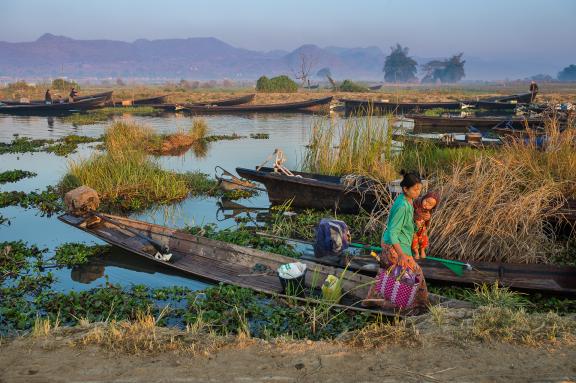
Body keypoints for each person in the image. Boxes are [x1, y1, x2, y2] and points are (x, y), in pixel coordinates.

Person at [364, 172, 429, 310]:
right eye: (415, 189)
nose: (418, 192)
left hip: (393, 243)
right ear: (405, 189)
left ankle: (371, 300)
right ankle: (418, 306)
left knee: (386, 272)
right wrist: (401, 254)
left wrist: (419, 221)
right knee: (417, 274)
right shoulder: (402, 206)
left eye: (420, 189)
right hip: (394, 246)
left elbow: (407, 226)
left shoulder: (408, 201)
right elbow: (394, 231)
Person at [411, 191, 440, 260]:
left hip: (422, 226)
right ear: (424, 198)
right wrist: (415, 219)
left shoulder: (428, 211)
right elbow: (410, 212)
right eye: (426, 201)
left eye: (430, 205)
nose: (426, 205)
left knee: (424, 238)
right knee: (414, 239)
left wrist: (428, 218)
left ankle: (422, 250)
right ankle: (416, 252)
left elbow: (427, 219)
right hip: (413, 226)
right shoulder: (416, 202)